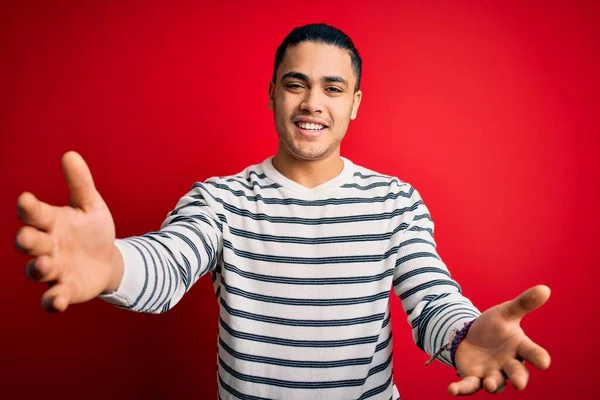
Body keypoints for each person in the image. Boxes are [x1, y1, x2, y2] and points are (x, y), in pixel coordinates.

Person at [14, 23, 551, 399]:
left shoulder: (395, 201)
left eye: (332, 88)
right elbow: (169, 261)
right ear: (272, 94)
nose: (312, 102)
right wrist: (110, 264)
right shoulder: (219, 200)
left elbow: (431, 295)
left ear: (355, 104)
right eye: (296, 84)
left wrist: (463, 334)